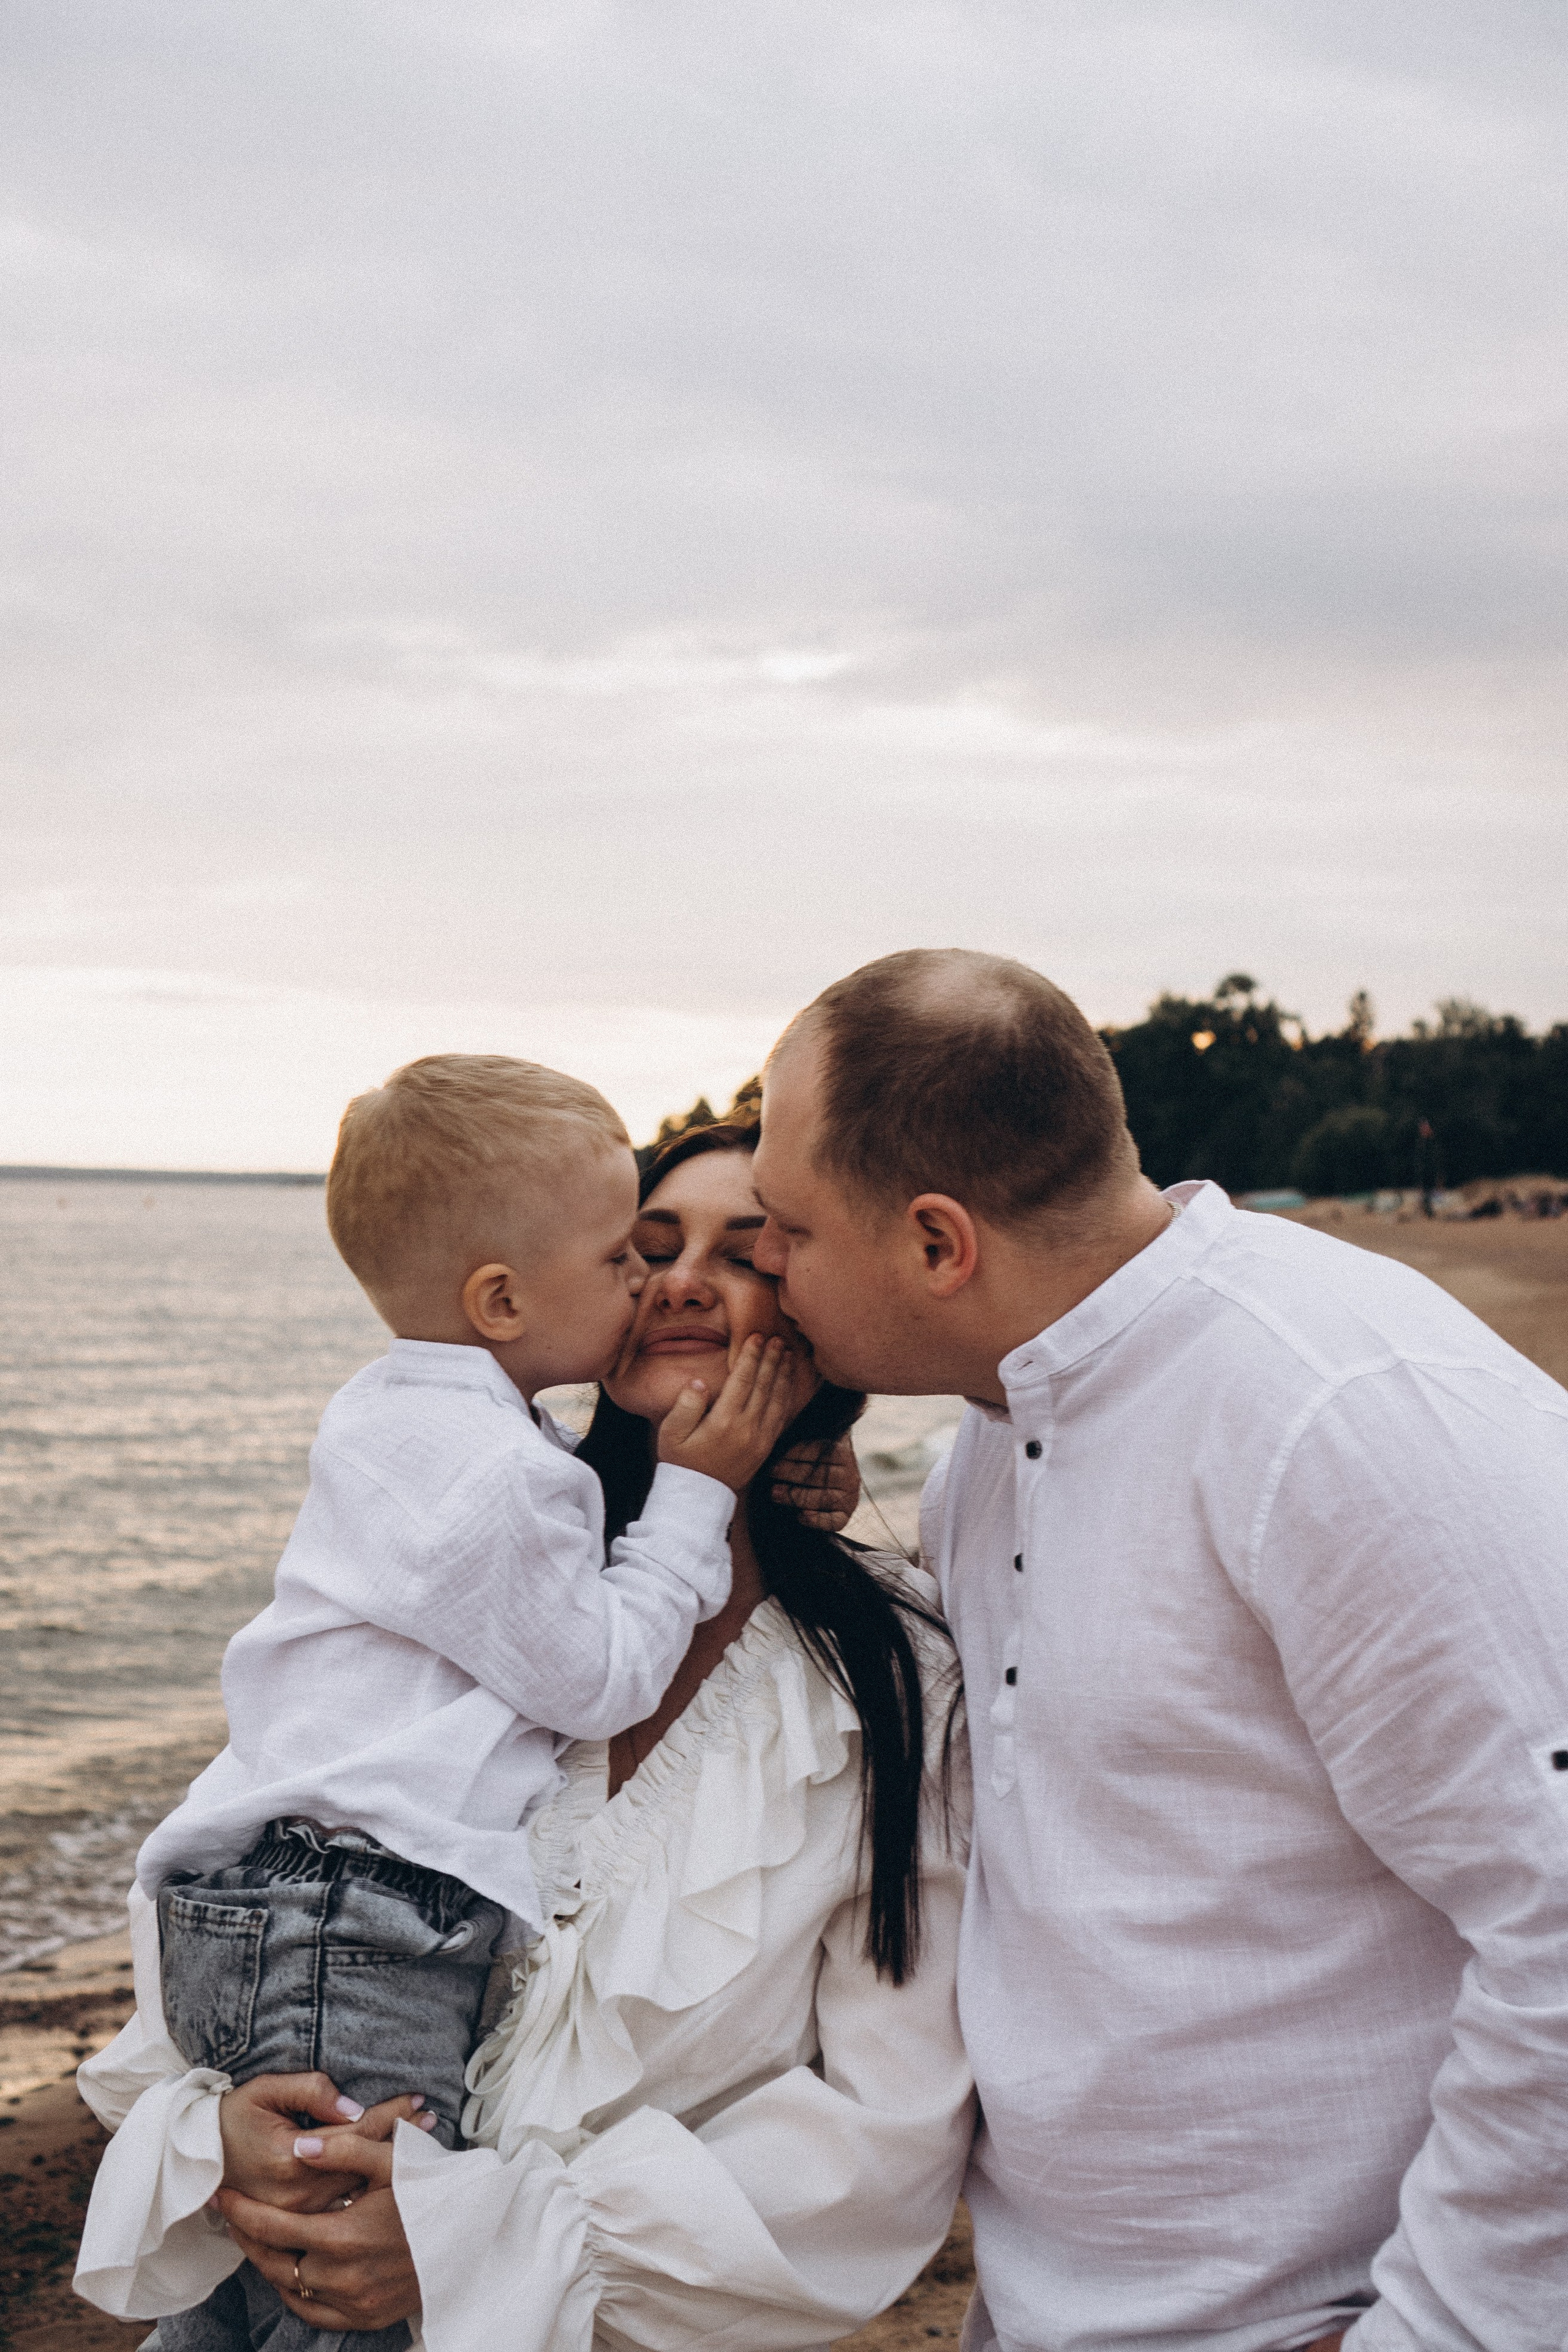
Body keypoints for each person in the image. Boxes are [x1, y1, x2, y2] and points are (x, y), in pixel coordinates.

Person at [749, 948, 1568, 2352]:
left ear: (937, 1245)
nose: (762, 1263)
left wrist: (1432, 2329)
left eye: (787, 1228)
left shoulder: (1333, 1412)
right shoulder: (991, 1438)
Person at [76, 1118, 975, 2352]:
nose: (675, 1281)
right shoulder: (460, 1570)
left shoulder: (897, 1672)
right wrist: (214, 2138)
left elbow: (885, 2131)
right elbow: (242, 1881)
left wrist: (486, 2240)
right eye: (640, 1248)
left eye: (749, 1255)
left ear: (825, 1306)